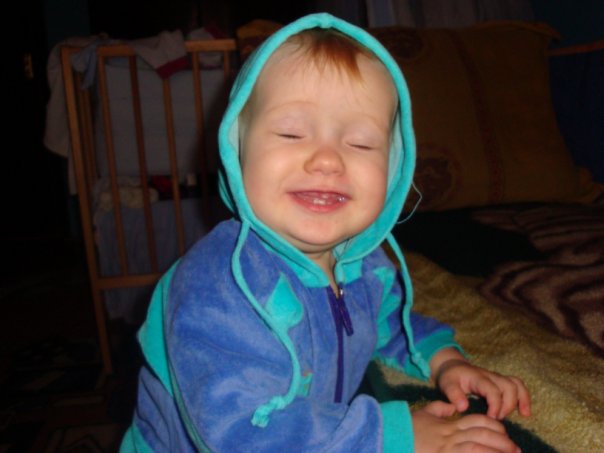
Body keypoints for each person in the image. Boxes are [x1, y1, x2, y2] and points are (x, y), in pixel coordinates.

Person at [121, 13, 530, 452]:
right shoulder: (217, 289)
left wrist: (444, 361)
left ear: (394, 166)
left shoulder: (366, 265)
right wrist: (390, 436)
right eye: (291, 133)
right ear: (237, 150)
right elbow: (240, 433)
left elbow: (388, 323)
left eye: (360, 143)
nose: (328, 160)